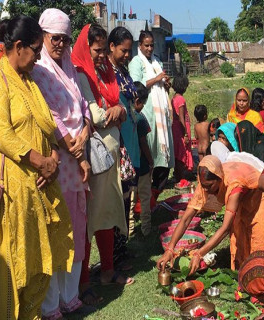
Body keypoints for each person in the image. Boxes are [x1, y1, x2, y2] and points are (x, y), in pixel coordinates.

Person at [0, 15, 74, 318]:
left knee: (36, 267)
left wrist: (54, 161)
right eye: (36, 50)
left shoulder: (29, 82)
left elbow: (46, 129)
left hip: (33, 194)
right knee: (8, 269)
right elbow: (1, 134)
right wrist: (40, 161)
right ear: (19, 46)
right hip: (7, 196)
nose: (39, 58)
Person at [30, 9, 92, 317]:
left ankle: (70, 296)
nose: (61, 45)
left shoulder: (68, 67)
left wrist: (86, 129)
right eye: (56, 39)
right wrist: (76, 148)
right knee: (56, 231)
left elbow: (83, 105)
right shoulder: (37, 69)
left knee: (76, 228)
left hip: (78, 162)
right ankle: (51, 303)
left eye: (65, 40)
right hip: (57, 161)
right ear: (42, 37)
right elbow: (50, 117)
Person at [71, 24, 133, 287]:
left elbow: (119, 107)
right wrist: (116, 111)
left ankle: (107, 270)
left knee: (107, 213)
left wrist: (118, 110)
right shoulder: (81, 73)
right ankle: (84, 280)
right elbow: (96, 116)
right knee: (89, 218)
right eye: (96, 50)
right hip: (93, 158)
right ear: (86, 48)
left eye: (102, 49)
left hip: (109, 155)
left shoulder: (105, 71)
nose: (100, 55)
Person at [156, 156, 264, 272]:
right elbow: (186, 219)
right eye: (204, 186)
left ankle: (261, 278)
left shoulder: (234, 185)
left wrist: (199, 253)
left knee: (259, 240)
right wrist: (170, 249)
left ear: (219, 179)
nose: (206, 190)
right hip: (241, 198)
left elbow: (225, 228)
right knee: (240, 235)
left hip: (259, 197)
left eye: (210, 186)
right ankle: (245, 273)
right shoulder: (205, 182)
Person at [129, 30, 174, 204]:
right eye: (146, 45)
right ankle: (145, 199)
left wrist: (165, 83)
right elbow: (136, 86)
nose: (149, 48)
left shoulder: (156, 61)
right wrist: (156, 79)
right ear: (139, 45)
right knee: (150, 153)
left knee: (162, 158)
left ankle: (153, 196)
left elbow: (160, 86)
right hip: (147, 113)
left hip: (160, 116)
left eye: (151, 45)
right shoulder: (136, 62)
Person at [107, 26, 139, 270]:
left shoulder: (123, 71)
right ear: (111, 47)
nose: (127, 55)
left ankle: (123, 247)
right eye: (123, 50)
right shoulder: (107, 73)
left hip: (128, 138)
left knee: (127, 191)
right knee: (116, 196)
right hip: (115, 139)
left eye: (129, 51)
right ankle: (114, 254)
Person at [133, 82, 155, 236]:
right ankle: (146, 228)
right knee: (145, 196)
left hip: (130, 166)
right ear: (138, 102)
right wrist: (151, 160)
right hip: (142, 165)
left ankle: (129, 229)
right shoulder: (140, 119)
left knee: (131, 198)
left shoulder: (127, 117)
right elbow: (143, 143)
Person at [171, 74, 193, 187]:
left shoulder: (174, 98)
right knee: (182, 153)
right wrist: (185, 133)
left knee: (178, 152)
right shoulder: (181, 99)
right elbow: (181, 117)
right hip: (180, 130)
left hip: (175, 129)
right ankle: (181, 178)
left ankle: (177, 175)